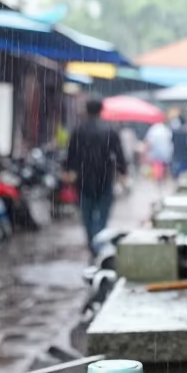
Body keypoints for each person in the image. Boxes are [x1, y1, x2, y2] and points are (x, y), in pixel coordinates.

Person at [65, 97, 127, 255]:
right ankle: (98, 241)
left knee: (87, 213)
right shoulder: (110, 130)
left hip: (84, 178)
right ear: (101, 110)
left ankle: (92, 241)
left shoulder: (78, 130)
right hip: (105, 176)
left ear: (87, 110)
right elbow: (119, 154)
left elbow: (71, 154)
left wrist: (69, 171)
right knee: (102, 214)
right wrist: (123, 173)